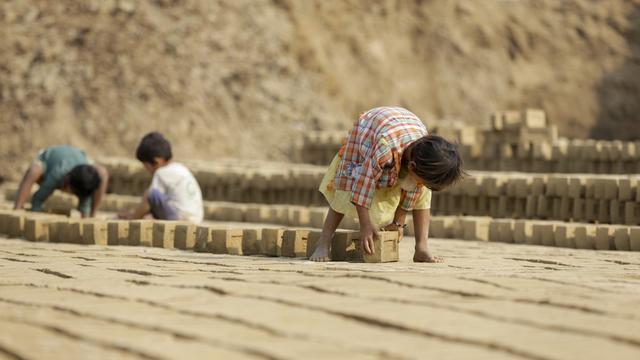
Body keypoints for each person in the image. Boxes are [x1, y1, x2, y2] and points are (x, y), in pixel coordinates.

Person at [309, 106, 464, 263]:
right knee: (346, 188)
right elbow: (363, 184)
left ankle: (421, 248)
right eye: (420, 180)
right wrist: (366, 224)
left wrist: (398, 223)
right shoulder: (384, 150)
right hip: (368, 136)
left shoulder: (426, 154)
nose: (419, 184)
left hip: (403, 132)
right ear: (411, 166)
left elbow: (415, 191)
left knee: (424, 192)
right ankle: (323, 242)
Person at [118, 132, 204, 224]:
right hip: (196, 219)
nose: (146, 170)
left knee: (150, 194)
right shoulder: (180, 168)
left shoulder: (161, 172)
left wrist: (134, 216)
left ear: (156, 162)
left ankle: (131, 220)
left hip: (181, 218)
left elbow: (150, 200)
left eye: (146, 166)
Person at [13, 145, 109, 218]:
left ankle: (94, 214)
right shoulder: (57, 174)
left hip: (78, 160)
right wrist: (36, 215)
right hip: (48, 162)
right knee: (34, 170)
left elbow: (85, 206)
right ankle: (17, 209)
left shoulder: (86, 180)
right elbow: (37, 199)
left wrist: (87, 220)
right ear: (67, 182)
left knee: (103, 173)